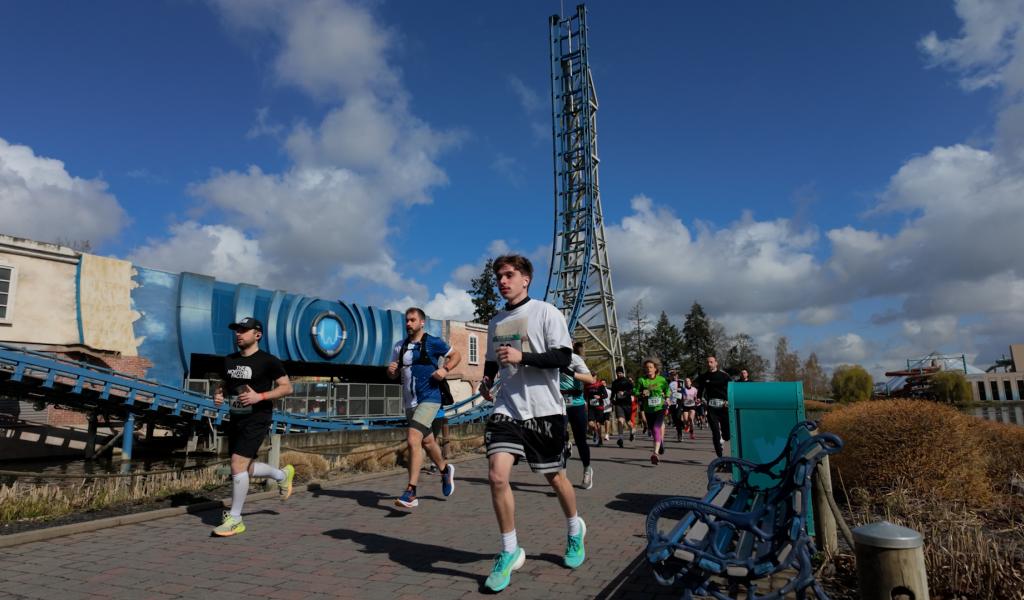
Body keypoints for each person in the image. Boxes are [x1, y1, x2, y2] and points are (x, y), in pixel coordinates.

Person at [478, 255, 586, 592]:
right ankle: (509, 550)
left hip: (545, 410)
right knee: (497, 476)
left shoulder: (546, 312)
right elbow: (493, 361)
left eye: (509, 275)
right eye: (499, 276)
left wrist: (523, 357)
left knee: (555, 478)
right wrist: (486, 380)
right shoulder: (496, 321)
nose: (502, 281)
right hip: (507, 408)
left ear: (526, 279)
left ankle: (575, 530)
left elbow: (563, 357)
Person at [212, 317, 296, 537]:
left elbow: (287, 388)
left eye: (243, 330)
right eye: (237, 330)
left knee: (237, 464)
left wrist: (260, 396)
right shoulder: (229, 360)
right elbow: (224, 383)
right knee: (244, 468)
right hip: (236, 417)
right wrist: (218, 393)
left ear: (257, 335)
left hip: (258, 418)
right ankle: (282, 475)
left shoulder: (268, 361)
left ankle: (235, 519)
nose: (238, 334)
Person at [387, 307, 461, 508]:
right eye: (406, 320)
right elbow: (394, 374)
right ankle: (445, 471)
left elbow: (456, 355)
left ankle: (411, 492)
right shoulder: (400, 346)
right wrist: (391, 370)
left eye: (412, 320)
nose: (408, 324)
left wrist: (444, 369)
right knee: (428, 442)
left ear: (422, 323)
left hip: (429, 398)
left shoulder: (433, 342)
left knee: (413, 439)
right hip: (409, 401)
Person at [561, 341, 597, 489]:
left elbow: (590, 379)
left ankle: (587, 469)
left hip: (576, 404)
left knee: (580, 439)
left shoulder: (574, 359)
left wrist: (570, 372)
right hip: (558, 403)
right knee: (559, 440)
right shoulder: (550, 357)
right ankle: (562, 479)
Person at [695, 355, 733, 458]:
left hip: (724, 406)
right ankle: (720, 457)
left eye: (711, 362)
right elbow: (700, 389)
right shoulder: (704, 377)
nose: (709, 364)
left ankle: (724, 437)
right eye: (707, 362)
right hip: (711, 407)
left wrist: (729, 400)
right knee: (715, 433)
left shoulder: (724, 376)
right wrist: (698, 398)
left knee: (727, 435)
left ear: (716, 363)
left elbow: (731, 388)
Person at [634, 360, 670, 465]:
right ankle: (660, 443)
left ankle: (655, 453)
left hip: (660, 408)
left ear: (655, 368)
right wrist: (641, 393)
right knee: (653, 431)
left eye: (650, 367)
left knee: (655, 428)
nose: (648, 369)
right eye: (647, 367)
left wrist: (667, 398)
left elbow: (667, 390)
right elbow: (635, 391)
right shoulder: (642, 380)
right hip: (648, 409)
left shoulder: (661, 380)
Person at [610, 366, 635, 448]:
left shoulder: (627, 381)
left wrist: (624, 393)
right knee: (620, 421)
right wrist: (611, 400)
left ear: (623, 373)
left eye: (620, 373)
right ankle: (620, 439)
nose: (619, 374)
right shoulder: (615, 383)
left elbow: (632, 391)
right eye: (618, 373)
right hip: (619, 404)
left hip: (627, 404)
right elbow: (613, 393)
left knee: (628, 422)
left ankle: (632, 432)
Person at [585, 379, 608, 446]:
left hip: (599, 407)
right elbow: (585, 395)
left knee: (598, 424)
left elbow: (606, 395)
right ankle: (595, 431)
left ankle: (600, 439)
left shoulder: (600, 385)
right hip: (591, 407)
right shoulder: (587, 385)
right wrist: (585, 402)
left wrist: (599, 397)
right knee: (590, 423)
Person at [667, 371, 685, 443]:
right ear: (670, 376)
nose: (674, 376)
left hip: (679, 402)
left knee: (678, 417)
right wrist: (668, 400)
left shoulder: (681, 382)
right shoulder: (669, 384)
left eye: (675, 375)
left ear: (677, 376)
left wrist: (683, 394)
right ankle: (680, 427)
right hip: (672, 403)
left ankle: (680, 434)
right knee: (674, 419)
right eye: (672, 375)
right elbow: (668, 393)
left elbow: (685, 391)